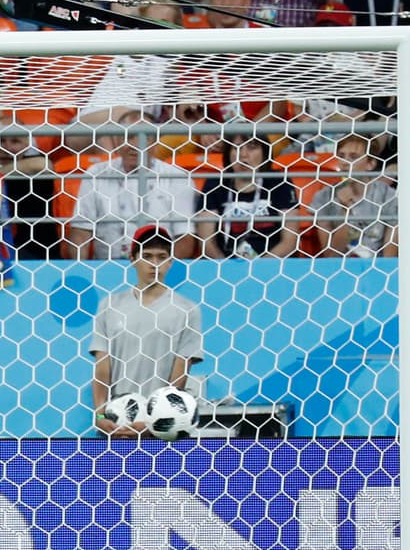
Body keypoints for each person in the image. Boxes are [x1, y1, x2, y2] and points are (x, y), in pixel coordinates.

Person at [90, 225, 203, 437]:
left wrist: (152, 422)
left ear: (170, 262)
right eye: (147, 256)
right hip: (116, 424)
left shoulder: (187, 310)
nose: (154, 264)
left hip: (160, 430)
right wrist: (100, 415)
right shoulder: (110, 305)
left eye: (162, 257)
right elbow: (102, 366)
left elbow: (180, 374)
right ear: (133, 259)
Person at [69, 109, 198, 260]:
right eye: (129, 137)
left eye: (145, 138)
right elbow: (80, 232)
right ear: (117, 140)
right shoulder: (96, 173)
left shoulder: (177, 177)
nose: (136, 145)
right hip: (107, 266)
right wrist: (81, 269)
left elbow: (185, 239)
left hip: (159, 267)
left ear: (156, 142)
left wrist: (158, 270)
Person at [198, 135, 298, 258]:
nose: (243, 155)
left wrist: (259, 267)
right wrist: (224, 266)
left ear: (264, 153)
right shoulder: (215, 183)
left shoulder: (280, 182)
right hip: (226, 264)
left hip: (274, 264)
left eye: (252, 147)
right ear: (228, 153)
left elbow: (289, 242)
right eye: (236, 148)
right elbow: (207, 243)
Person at [311, 133, 397, 257]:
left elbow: (389, 257)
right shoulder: (324, 197)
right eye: (341, 156)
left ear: (370, 164)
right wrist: (346, 211)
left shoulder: (389, 197)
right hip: (341, 266)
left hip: (377, 266)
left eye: (353, 157)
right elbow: (331, 255)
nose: (345, 162)